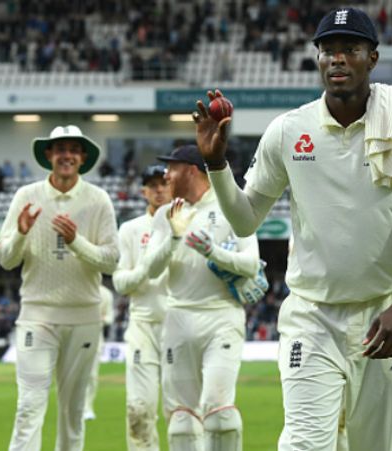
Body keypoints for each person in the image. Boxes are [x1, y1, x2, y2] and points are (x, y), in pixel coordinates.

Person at [192, 7, 392, 450]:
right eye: (327, 50)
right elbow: (244, 219)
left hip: (384, 315)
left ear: (372, 58)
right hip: (311, 317)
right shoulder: (289, 130)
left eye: (350, 49)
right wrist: (216, 163)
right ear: (317, 59)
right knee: (305, 444)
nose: (337, 59)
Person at [0, 124, 119, 451]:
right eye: (60, 148)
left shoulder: (98, 200)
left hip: (84, 318)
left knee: (73, 412)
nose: (67, 155)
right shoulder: (26, 197)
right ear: (49, 155)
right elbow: (6, 259)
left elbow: (111, 261)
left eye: (73, 149)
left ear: (82, 158)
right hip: (37, 315)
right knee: (28, 406)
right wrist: (21, 233)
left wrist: (75, 241)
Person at [143, 144, 262, 451]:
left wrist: (213, 252)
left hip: (221, 316)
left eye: (172, 168)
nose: (166, 175)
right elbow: (151, 271)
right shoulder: (166, 215)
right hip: (177, 318)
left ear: (191, 170)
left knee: (219, 414)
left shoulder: (231, 207)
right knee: (182, 422)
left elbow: (251, 264)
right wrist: (172, 236)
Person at [112, 164, 172, 450]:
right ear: (143, 191)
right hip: (142, 327)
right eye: (152, 184)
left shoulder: (188, 222)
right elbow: (121, 282)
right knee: (138, 409)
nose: (159, 189)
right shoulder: (131, 229)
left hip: (180, 326)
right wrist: (145, 270)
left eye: (163, 183)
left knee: (182, 412)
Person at [84, 284, 115, 421]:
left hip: (96, 337)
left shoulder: (106, 293)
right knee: (73, 375)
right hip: (74, 335)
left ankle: (87, 408)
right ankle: (74, 408)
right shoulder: (79, 287)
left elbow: (109, 317)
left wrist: (99, 318)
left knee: (92, 376)